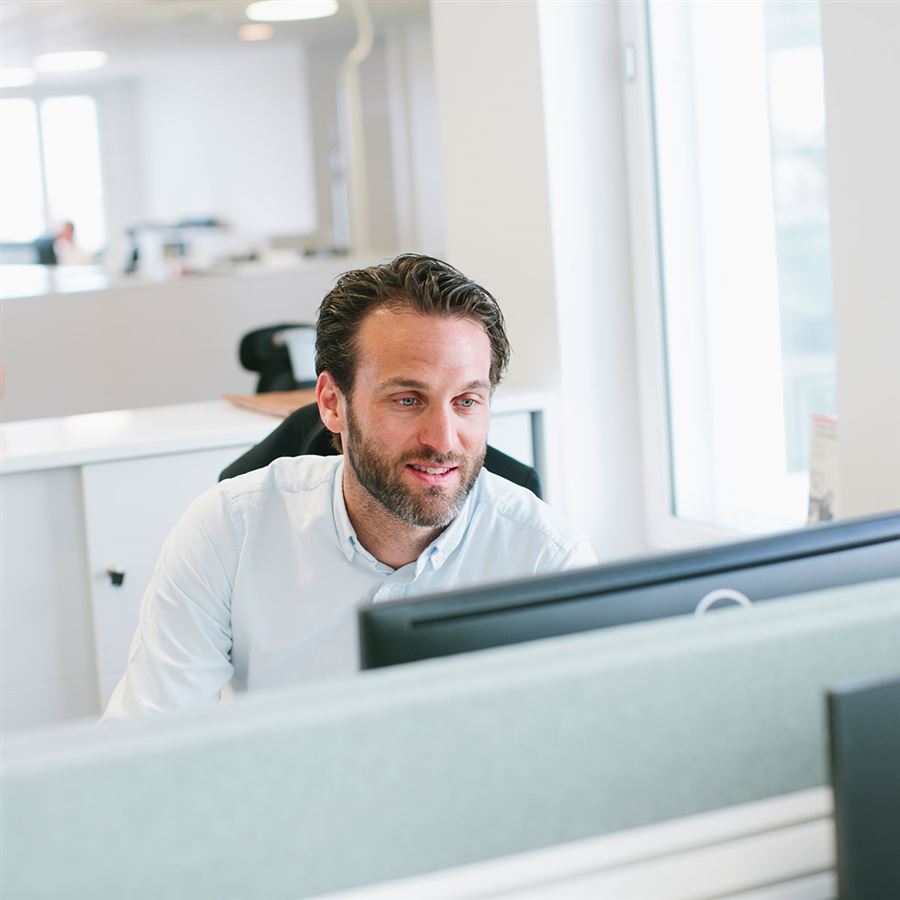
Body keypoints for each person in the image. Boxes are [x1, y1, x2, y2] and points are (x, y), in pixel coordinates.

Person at [104, 254, 596, 718]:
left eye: (467, 401)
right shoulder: (229, 531)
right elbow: (148, 738)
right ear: (332, 404)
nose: (443, 440)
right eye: (407, 400)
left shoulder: (545, 559)